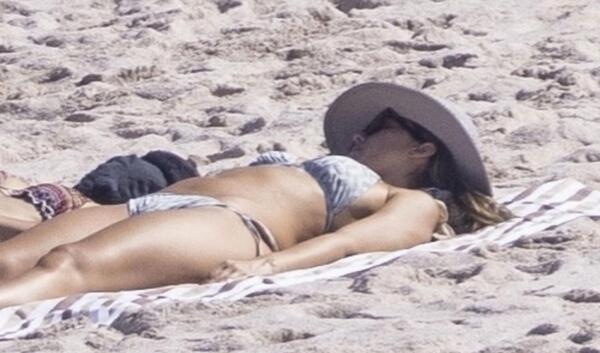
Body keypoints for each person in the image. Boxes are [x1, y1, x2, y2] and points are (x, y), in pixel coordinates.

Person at [0, 82, 512, 309]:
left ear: (423, 148)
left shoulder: (418, 203)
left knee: (68, 264)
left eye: (380, 125)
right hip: (153, 204)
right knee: (8, 262)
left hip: (227, 223)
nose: (360, 134)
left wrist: (266, 266)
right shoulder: (333, 166)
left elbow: (349, 244)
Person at [0, 150, 199, 241]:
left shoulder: (75, 203)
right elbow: (39, 237)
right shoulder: (91, 214)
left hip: (62, 199)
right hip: (76, 206)